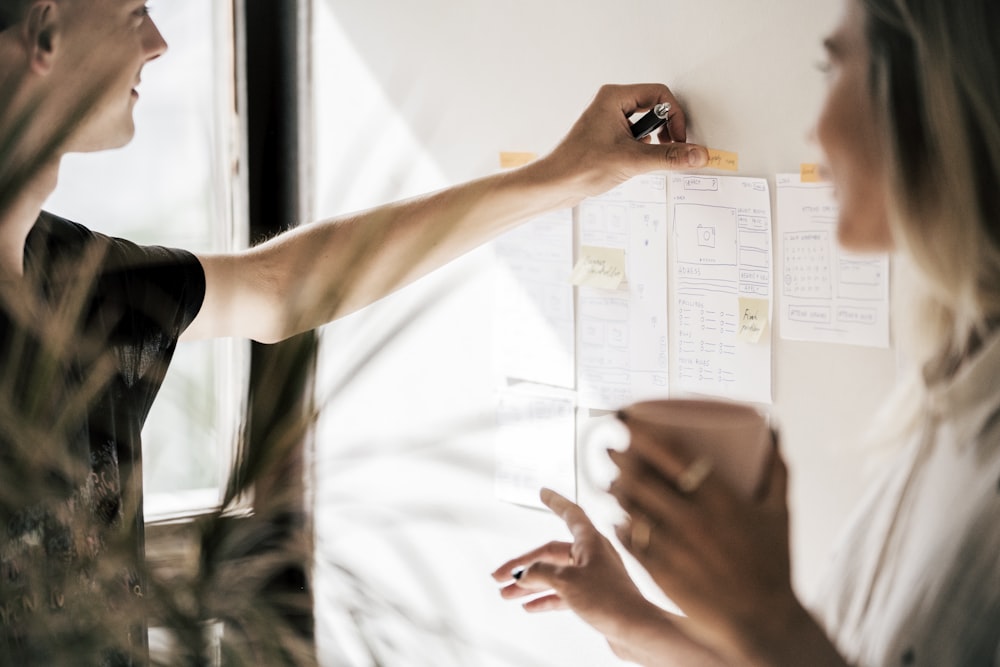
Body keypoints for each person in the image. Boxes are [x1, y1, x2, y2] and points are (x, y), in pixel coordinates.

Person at [0, 0, 712, 664]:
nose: (157, 43)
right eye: (133, 12)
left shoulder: (75, 279)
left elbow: (279, 287)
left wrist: (561, 176)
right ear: (46, 32)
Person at [494, 0, 1000, 665]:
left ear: (929, 93)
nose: (815, 131)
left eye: (832, 68)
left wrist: (762, 608)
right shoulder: (953, 392)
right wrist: (633, 616)